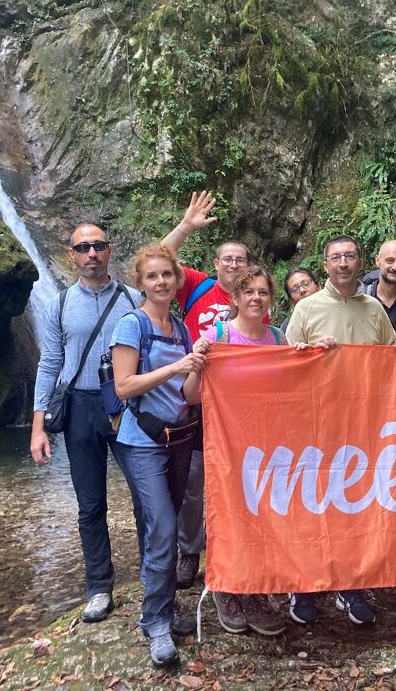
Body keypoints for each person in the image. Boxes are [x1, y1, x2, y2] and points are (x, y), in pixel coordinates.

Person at [285, 234, 396, 626]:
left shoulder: (374, 309)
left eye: (350, 256)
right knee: (312, 503)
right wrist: (309, 353)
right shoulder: (307, 309)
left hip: (363, 425)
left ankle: (349, 585)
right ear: (326, 264)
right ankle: (305, 583)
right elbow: (285, 366)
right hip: (317, 424)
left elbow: (387, 362)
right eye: (336, 257)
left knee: (351, 504)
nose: (344, 262)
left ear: (359, 261)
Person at [30, 223, 142, 625]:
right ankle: (98, 587)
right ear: (72, 255)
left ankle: (152, 579)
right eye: (83, 247)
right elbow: (49, 364)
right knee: (90, 504)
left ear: (110, 250)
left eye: (98, 245)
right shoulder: (59, 305)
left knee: (145, 496)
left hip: (126, 404)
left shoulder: (133, 298)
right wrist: (38, 427)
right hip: (78, 407)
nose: (91, 253)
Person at [110, 243, 208, 665]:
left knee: (166, 527)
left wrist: (198, 369)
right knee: (163, 527)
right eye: (152, 276)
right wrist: (175, 367)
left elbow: (187, 394)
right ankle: (155, 621)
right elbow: (124, 387)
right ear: (141, 283)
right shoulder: (130, 325)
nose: (161, 282)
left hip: (181, 436)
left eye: (167, 275)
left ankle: (165, 608)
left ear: (177, 279)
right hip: (143, 440)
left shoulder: (182, 328)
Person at [160, 191, 242, 590]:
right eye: (227, 259)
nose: (233, 265)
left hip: (237, 406)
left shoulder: (253, 298)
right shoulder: (196, 285)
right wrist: (186, 226)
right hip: (195, 399)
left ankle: (235, 546)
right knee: (192, 482)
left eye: (240, 260)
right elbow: (157, 259)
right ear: (215, 264)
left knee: (236, 479)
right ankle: (189, 551)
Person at [200, 266, 288, 637]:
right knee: (227, 514)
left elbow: (295, 389)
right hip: (226, 442)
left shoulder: (279, 338)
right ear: (234, 298)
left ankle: (253, 591)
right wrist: (197, 360)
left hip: (268, 444)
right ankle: (225, 589)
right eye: (248, 292)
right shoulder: (217, 335)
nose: (255, 298)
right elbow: (191, 395)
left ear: (271, 299)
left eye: (262, 293)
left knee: (262, 516)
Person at [280, 267, 320, 334]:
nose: (302, 290)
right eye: (295, 289)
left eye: (306, 283)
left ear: (319, 287)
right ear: (291, 300)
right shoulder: (287, 326)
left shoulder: (334, 309)